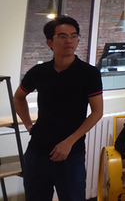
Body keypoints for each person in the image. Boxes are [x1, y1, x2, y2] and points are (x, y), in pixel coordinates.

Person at [13, 16, 104, 201]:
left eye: (73, 36)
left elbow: (97, 112)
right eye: (62, 36)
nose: (69, 40)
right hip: (38, 151)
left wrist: (69, 142)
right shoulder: (39, 72)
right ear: (50, 42)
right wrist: (29, 125)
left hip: (71, 153)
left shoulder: (89, 73)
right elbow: (18, 97)